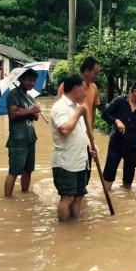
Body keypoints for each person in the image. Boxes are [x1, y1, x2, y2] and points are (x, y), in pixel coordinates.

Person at [51, 74, 96, 221]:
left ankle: (75, 229)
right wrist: (79, 113)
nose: (85, 94)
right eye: (84, 90)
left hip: (81, 160)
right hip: (66, 163)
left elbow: (83, 133)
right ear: (76, 89)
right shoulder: (60, 107)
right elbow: (64, 130)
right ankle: (64, 233)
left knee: (78, 197)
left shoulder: (77, 107)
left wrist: (92, 146)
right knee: (68, 197)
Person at [57, 56, 100, 183]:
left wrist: (91, 134)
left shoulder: (93, 87)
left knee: (85, 174)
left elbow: (93, 110)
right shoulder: (66, 86)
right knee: (71, 176)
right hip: (72, 136)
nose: (96, 76)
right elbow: (60, 111)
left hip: (87, 137)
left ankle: (80, 200)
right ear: (86, 71)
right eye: (95, 73)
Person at [102, 80, 136, 191]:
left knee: (128, 181)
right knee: (108, 177)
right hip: (116, 146)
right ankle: (106, 198)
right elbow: (104, 114)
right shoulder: (119, 101)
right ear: (135, 91)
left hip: (132, 147)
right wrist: (116, 121)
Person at [4, 68, 41, 197]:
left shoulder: (30, 97)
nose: (32, 83)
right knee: (13, 171)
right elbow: (13, 114)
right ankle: (7, 199)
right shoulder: (14, 95)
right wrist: (31, 111)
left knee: (28, 171)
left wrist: (34, 111)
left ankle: (25, 195)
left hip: (30, 138)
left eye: (34, 81)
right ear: (21, 80)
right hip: (18, 139)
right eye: (29, 80)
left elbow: (36, 117)